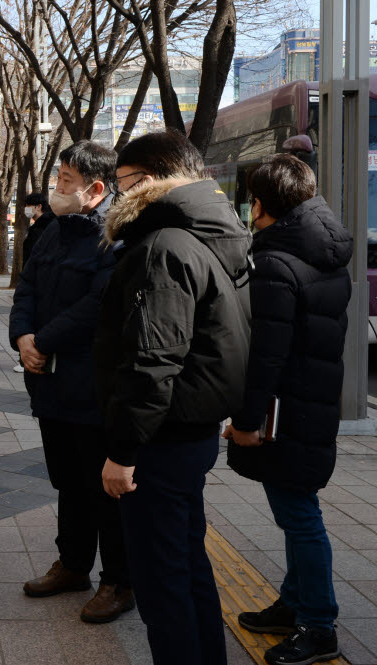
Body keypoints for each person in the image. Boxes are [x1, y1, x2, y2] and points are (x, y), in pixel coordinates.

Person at [94, 131, 251, 665]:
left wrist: (123, 452)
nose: (118, 194)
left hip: (159, 439)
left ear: (149, 180)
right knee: (186, 564)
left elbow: (151, 362)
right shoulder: (212, 234)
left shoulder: (163, 246)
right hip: (192, 430)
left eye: (123, 183)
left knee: (162, 580)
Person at [224, 154, 349, 665]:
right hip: (313, 404)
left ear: (262, 205)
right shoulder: (325, 251)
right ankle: (294, 602)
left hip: (285, 412)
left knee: (300, 518)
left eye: (252, 199)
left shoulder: (275, 262)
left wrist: (246, 422)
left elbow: (267, 356)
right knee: (299, 510)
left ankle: (318, 625)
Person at [9, 141, 133, 623]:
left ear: (96, 190)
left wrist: (44, 340)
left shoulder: (115, 237)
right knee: (68, 483)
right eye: (58, 178)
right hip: (51, 386)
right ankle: (73, 564)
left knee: (101, 487)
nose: (56, 189)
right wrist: (22, 335)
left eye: (65, 181)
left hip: (91, 385)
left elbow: (101, 304)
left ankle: (118, 581)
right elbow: (29, 287)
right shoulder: (51, 231)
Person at [13, 193, 57, 374]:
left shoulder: (44, 228)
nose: (26, 210)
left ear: (38, 206)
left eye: (28, 206)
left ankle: (33, 359)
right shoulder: (43, 226)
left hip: (40, 284)